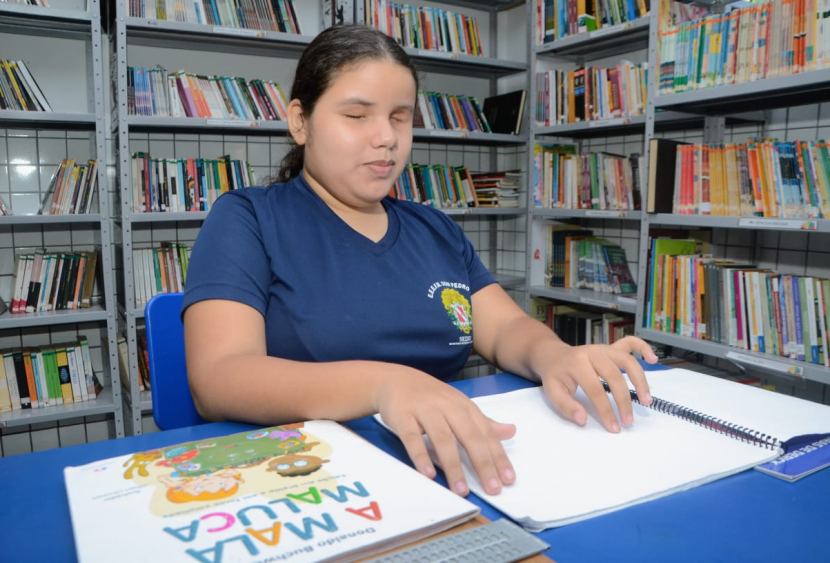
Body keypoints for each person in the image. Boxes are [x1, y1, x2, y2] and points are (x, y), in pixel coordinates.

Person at [182, 24, 658, 499]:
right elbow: (220, 376)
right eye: (356, 115)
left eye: (400, 117)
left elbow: (506, 328)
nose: (385, 138)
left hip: (444, 468)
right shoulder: (248, 218)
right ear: (300, 121)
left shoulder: (435, 227)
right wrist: (385, 385)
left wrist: (556, 356)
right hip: (305, 477)